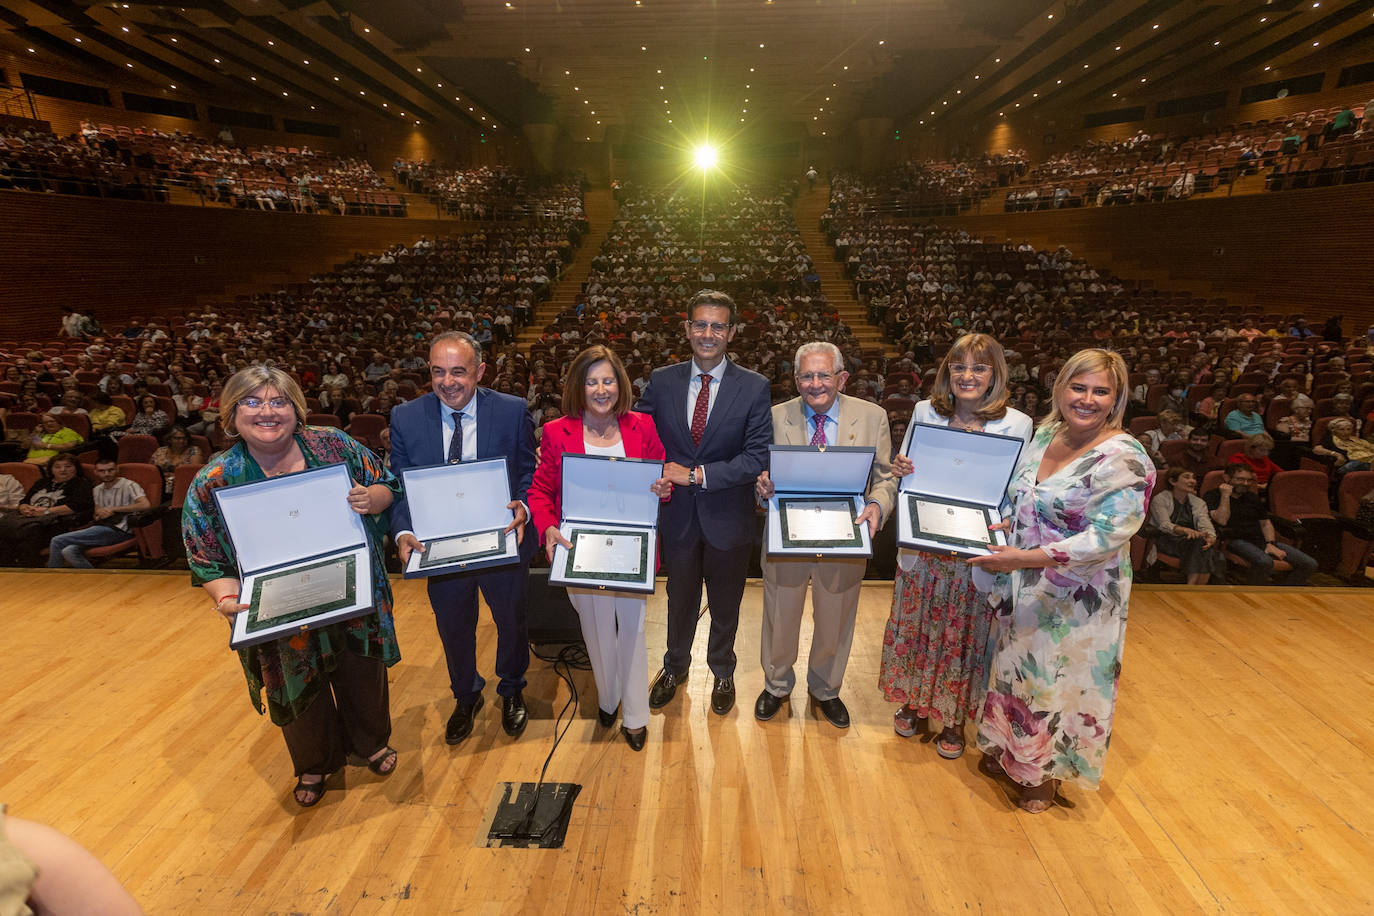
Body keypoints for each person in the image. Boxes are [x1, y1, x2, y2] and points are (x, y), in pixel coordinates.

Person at [181, 366, 402, 808]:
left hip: (352, 587)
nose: (267, 411)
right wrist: (227, 598)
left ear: (296, 409)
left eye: (278, 401)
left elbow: (387, 483)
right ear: (231, 413)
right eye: (252, 402)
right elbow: (205, 557)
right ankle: (314, 762)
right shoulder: (214, 479)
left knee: (362, 670)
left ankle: (370, 742)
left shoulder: (332, 445)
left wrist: (372, 497)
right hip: (278, 603)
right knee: (294, 679)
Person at [969, 348, 1154, 812]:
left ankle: (1042, 775)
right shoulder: (1046, 433)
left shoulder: (1124, 456)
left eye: (1100, 391)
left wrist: (1024, 557)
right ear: (1060, 388)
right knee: (1015, 670)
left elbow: (1107, 535)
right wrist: (1002, 526)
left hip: (1078, 596)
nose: (1087, 399)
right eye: (1078, 387)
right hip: (1024, 585)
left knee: (1058, 682)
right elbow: (1023, 499)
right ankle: (1009, 750)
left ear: (1116, 399)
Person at [880, 333, 1033, 758]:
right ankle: (913, 703)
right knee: (917, 628)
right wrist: (900, 467)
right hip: (924, 546)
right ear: (947, 372)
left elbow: (1017, 488)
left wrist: (1008, 520)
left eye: (979, 368)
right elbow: (905, 475)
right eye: (959, 366)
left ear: (995, 375)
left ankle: (953, 718)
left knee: (963, 636)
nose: (968, 375)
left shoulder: (1017, 424)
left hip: (975, 551)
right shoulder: (924, 411)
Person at [390, 331, 537, 744]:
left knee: (510, 620)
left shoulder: (511, 410)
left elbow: (529, 471)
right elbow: (400, 484)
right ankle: (466, 694)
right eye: (438, 372)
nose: (447, 382)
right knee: (454, 626)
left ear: (480, 371)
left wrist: (524, 506)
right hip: (439, 545)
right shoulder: (405, 417)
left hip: (501, 537)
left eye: (458, 371)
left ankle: (512, 688)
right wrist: (403, 530)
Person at [634, 290, 772, 715]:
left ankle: (723, 670)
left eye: (717, 326)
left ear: (732, 332)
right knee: (679, 600)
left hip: (729, 517)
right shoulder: (662, 380)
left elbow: (756, 456)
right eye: (700, 324)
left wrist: (696, 475)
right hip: (676, 516)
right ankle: (674, 667)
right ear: (687, 328)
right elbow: (639, 436)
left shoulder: (754, 386)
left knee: (726, 604)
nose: (708, 334)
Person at [528, 345, 672, 751]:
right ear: (579, 386)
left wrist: (663, 489)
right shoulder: (556, 432)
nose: (601, 389)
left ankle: (636, 716)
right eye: (592, 382)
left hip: (631, 550)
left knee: (633, 631)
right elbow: (540, 491)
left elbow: (660, 477)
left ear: (620, 384)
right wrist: (548, 527)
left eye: (608, 380)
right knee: (596, 633)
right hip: (580, 550)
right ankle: (609, 699)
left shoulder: (643, 426)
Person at [753, 341, 898, 729]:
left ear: (842, 378)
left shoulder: (872, 417)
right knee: (780, 616)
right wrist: (761, 488)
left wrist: (877, 505)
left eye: (823, 375)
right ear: (795, 379)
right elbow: (760, 476)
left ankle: (825, 689)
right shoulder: (774, 417)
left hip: (844, 536)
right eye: (806, 376)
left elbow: (886, 478)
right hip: (787, 536)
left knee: (836, 619)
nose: (815, 384)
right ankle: (776, 685)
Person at [1205, 463, 1317, 585]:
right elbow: (1222, 520)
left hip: (1260, 540)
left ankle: (1282, 592)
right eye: (1240, 479)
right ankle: (1252, 593)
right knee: (1265, 562)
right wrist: (1225, 496)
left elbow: (1265, 523)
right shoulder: (1213, 495)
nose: (1245, 484)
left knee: (1309, 564)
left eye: (1249, 480)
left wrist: (1270, 544)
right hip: (1233, 540)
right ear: (1227, 478)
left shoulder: (1252, 497)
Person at [46, 458, 150, 568]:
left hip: (121, 529)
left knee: (57, 540)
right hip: (102, 528)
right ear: (96, 472)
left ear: (117, 469)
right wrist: (99, 514)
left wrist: (114, 509)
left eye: (110, 470)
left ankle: (51, 575)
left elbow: (145, 505)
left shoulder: (129, 485)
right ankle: (92, 576)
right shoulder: (97, 489)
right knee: (69, 551)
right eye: (102, 471)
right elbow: (96, 513)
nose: (107, 474)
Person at [0, 454, 95, 567]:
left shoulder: (82, 483)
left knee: (28, 535)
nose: (63, 470)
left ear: (76, 468)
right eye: (57, 467)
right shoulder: (42, 482)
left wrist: (46, 511)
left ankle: (29, 570)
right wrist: (24, 508)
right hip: (29, 519)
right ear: (51, 469)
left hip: (58, 522)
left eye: (68, 466)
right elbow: (25, 500)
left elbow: (78, 506)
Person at [1148, 467, 1224, 584]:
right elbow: (1164, 524)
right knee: (1207, 550)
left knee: (1204, 544)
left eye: (1193, 478)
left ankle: (1191, 586)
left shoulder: (1198, 502)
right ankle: (1195, 588)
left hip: (1192, 541)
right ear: (1173, 481)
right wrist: (1183, 530)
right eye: (1187, 477)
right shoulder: (1160, 499)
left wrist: (1210, 536)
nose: (1192, 481)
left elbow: (1204, 522)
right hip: (1167, 540)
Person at [149, 427, 203, 496]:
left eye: (184, 438)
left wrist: (169, 476)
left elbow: (193, 473)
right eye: (177, 438)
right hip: (159, 483)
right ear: (169, 439)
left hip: (183, 485)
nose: (181, 441)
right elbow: (151, 470)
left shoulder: (194, 451)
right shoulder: (160, 451)